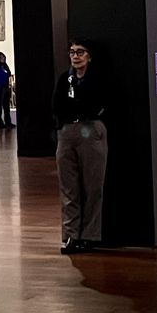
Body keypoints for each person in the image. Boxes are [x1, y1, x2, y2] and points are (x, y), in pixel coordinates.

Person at [54, 39, 107, 253]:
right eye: (72, 52)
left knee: (92, 187)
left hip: (91, 131)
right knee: (69, 188)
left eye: (80, 52)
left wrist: (80, 107)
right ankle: (70, 235)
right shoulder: (64, 80)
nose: (76, 56)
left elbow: (96, 104)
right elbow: (57, 105)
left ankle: (90, 235)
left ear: (89, 56)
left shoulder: (97, 80)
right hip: (67, 132)